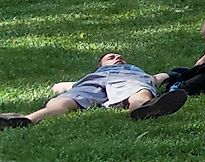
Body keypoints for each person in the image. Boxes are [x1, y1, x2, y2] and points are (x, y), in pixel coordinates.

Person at [0, 51, 186, 124]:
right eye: (111, 57)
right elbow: (61, 87)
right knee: (63, 101)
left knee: (138, 91)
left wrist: (169, 75)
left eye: (120, 57)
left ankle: (145, 108)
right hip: (92, 85)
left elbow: (156, 78)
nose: (117, 58)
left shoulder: (133, 70)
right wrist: (59, 89)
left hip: (128, 80)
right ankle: (27, 120)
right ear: (100, 65)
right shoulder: (92, 76)